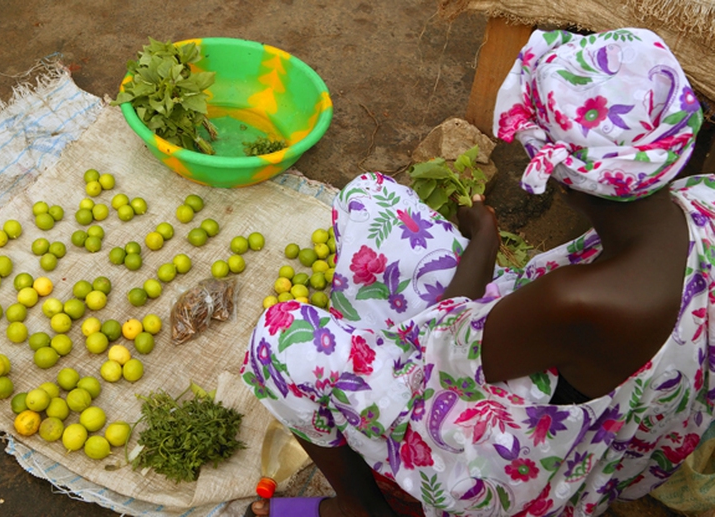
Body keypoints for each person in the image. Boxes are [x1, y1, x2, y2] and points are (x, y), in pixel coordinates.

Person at [241, 27, 714, 516]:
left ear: (562, 180)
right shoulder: (705, 200)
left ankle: (361, 508)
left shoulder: (576, 300)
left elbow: (441, 354)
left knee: (280, 339)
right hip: (600, 407)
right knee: (369, 198)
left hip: (508, 453)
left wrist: (484, 241)